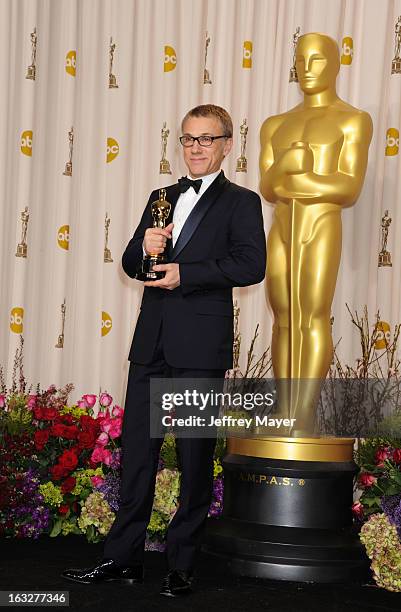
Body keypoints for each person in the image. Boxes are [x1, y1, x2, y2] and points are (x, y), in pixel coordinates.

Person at [62, 104, 266, 596]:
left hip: (199, 347)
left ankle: (182, 564)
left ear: (226, 145)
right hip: (150, 344)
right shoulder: (160, 196)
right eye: (188, 139)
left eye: (206, 139)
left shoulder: (241, 201)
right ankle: (122, 558)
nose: (195, 147)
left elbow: (250, 264)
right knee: (137, 455)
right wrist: (146, 246)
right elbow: (133, 261)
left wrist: (187, 274)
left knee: (194, 459)